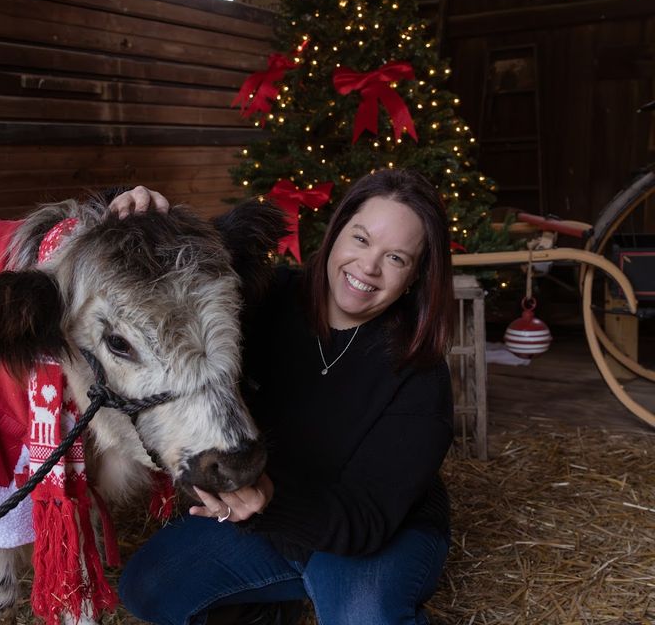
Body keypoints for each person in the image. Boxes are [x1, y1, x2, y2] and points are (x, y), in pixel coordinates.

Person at [112, 169, 455, 625]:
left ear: (414, 277)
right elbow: (184, 275)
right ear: (336, 233)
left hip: (371, 530)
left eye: (395, 257)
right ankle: (280, 598)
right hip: (265, 516)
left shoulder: (421, 373)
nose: (368, 267)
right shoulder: (264, 295)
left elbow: (366, 521)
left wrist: (268, 502)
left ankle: (327, 588)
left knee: (362, 617)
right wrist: (145, 216)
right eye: (360, 239)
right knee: (147, 587)